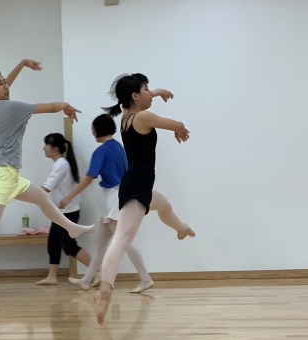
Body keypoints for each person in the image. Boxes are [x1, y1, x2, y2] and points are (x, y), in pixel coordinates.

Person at [0, 58, 94, 303]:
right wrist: (66, 105)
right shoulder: (8, 108)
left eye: (5, 82)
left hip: (10, 175)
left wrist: (21, 65)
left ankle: (70, 227)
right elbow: (50, 107)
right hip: (2, 176)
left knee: (42, 198)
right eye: (0, 84)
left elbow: (4, 88)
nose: (6, 86)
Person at [93, 73, 191, 324]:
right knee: (122, 239)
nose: (150, 93)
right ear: (135, 96)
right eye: (146, 89)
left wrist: (158, 91)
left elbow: (141, 101)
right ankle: (104, 291)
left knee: (164, 205)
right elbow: (176, 123)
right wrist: (180, 129)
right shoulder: (144, 117)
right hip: (137, 184)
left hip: (139, 183)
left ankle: (181, 229)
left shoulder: (127, 115)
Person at [68, 114, 195, 293]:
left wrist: (69, 196)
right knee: (101, 243)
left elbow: (89, 177)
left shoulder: (101, 151)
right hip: (119, 194)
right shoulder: (119, 147)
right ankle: (87, 279)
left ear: (96, 130)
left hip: (114, 198)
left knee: (124, 241)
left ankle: (145, 278)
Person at [35, 132, 92, 285]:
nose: (43, 148)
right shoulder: (61, 164)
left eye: (46, 145)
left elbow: (47, 187)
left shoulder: (61, 164)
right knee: (53, 243)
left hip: (67, 213)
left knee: (70, 247)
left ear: (54, 148)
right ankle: (52, 277)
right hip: (61, 212)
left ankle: (99, 272)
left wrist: (24, 192)